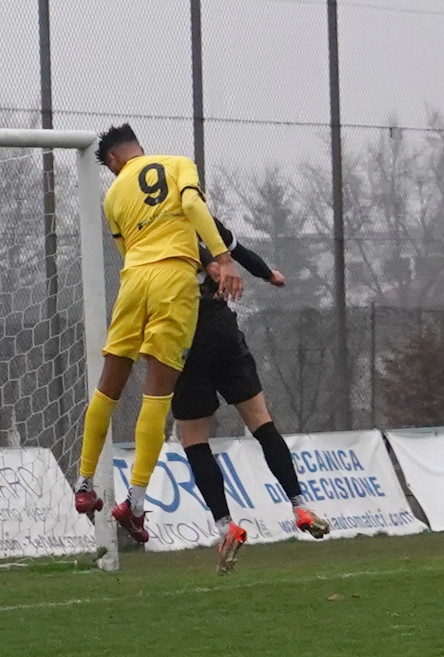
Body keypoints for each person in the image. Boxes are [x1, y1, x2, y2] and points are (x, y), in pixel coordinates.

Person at [74, 123, 244, 543]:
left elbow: (127, 250)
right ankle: (134, 503)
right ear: (137, 148)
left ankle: (84, 482)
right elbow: (192, 206)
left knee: (107, 389)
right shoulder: (177, 164)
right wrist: (221, 257)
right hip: (173, 282)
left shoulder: (113, 195)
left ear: (113, 159)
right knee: (156, 395)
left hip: (134, 282)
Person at [175, 218, 331, 573]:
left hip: (183, 334)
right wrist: (268, 274)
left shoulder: (153, 228)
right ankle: (300, 505)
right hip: (221, 329)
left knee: (194, 439)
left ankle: (225, 526)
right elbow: (239, 251)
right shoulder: (202, 219)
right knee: (261, 422)